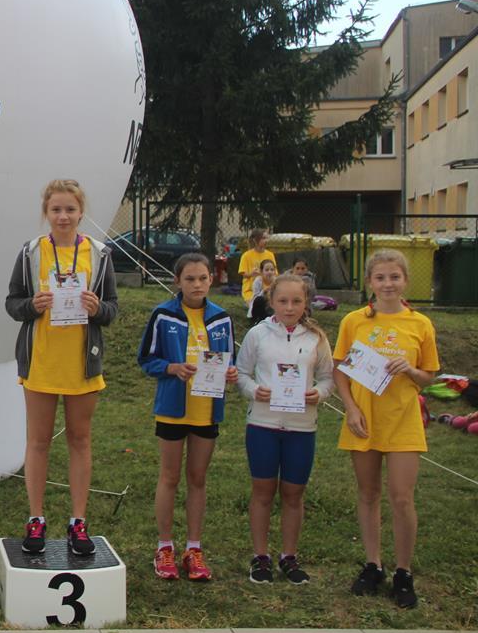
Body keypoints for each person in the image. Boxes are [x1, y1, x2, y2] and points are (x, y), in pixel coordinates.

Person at [5, 179, 119, 556]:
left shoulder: (99, 254)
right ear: (46, 212)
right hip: (41, 361)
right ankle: (36, 518)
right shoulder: (31, 252)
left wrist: (97, 308)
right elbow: (12, 303)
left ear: (81, 212)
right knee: (38, 441)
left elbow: (112, 309)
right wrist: (32, 305)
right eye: (56, 209)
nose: (63, 216)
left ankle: (78, 522)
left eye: (70, 209)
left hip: (81, 364)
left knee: (79, 441)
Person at [334, 249, 439, 609]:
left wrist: (410, 370)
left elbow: (429, 377)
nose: (388, 284)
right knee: (368, 494)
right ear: (369, 282)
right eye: (380, 277)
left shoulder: (420, 324)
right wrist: (350, 409)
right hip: (364, 421)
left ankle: (403, 573)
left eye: (394, 277)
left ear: (405, 280)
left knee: (401, 497)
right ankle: (373, 565)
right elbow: (340, 370)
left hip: (403, 422)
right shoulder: (354, 321)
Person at [138, 253, 237, 581]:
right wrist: (171, 368)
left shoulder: (221, 318)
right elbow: (146, 359)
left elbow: (229, 361)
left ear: (212, 279)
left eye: (203, 278)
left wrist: (231, 373)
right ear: (177, 281)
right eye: (190, 279)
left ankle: (193, 548)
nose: (197, 285)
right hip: (172, 409)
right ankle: (164, 547)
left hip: (206, 410)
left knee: (198, 478)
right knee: (169, 477)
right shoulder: (163, 315)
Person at [236, 274, 334, 585]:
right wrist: (255, 390)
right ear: (271, 302)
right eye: (282, 301)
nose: (289, 307)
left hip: (302, 427)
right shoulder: (257, 334)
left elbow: (328, 377)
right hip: (263, 425)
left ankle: (289, 556)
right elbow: (241, 373)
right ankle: (261, 556)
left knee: (293, 494)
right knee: (263, 492)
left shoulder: (316, 338)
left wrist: (319, 393)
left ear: (306, 303)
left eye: (296, 301)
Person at [238, 229, 276, 304]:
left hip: (268, 289)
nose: (266, 241)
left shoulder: (270, 255)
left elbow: (275, 273)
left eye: (267, 238)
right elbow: (244, 274)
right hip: (251, 290)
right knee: (256, 304)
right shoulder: (246, 256)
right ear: (255, 240)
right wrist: (251, 274)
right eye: (263, 238)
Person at [248, 259, 277, 323]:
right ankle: (257, 320)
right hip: (259, 306)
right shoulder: (258, 281)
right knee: (260, 299)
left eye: (272, 270)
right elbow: (255, 298)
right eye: (267, 270)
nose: (270, 272)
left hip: (271, 306)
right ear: (261, 271)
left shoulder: (276, 281)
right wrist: (264, 291)